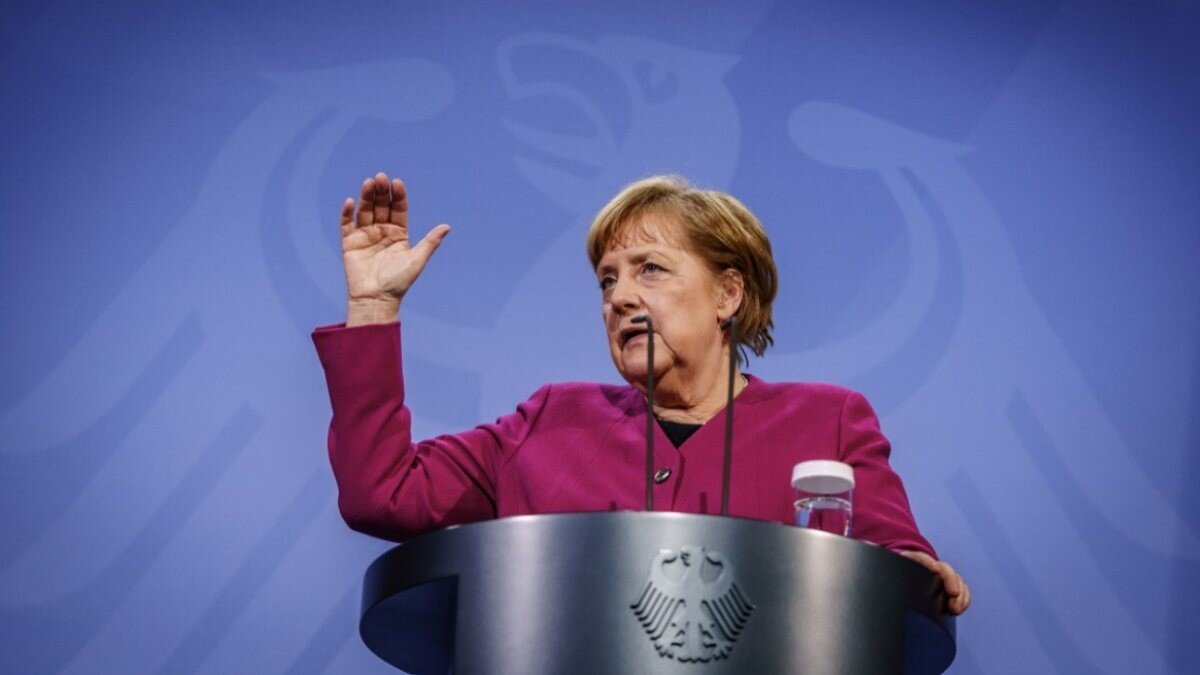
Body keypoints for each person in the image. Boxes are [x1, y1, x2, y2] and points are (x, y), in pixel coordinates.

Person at [312, 172, 971, 615]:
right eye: (607, 280)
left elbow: (896, 560)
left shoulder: (828, 420)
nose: (620, 296)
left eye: (650, 270)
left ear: (727, 293)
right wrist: (373, 307)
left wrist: (916, 575)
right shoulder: (548, 421)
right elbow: (381, 493)